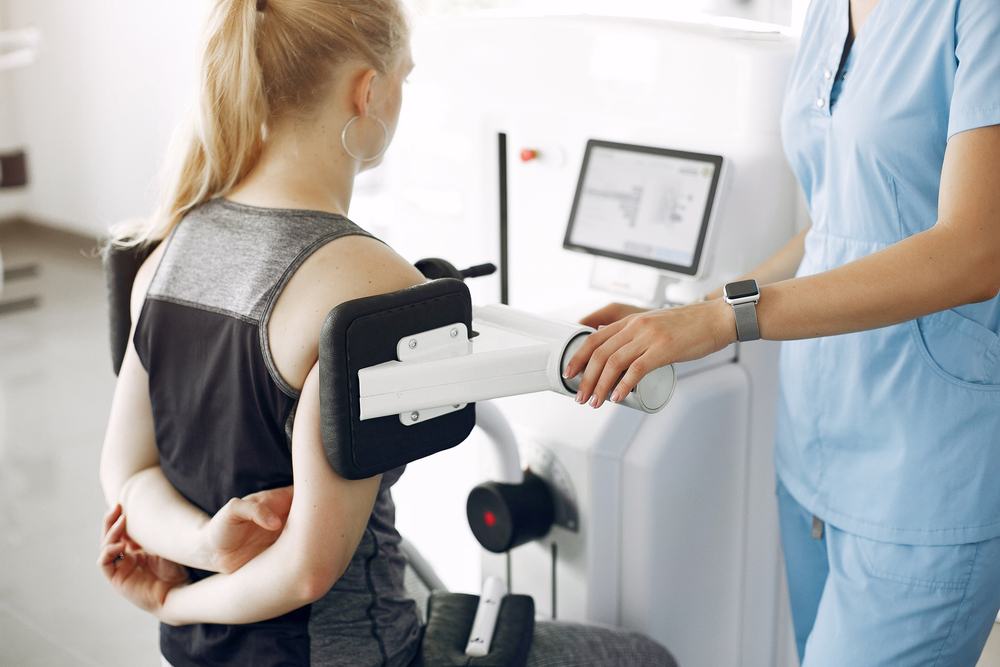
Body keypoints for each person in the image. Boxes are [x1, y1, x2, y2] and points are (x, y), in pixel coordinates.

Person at [96, 1, 676, 666]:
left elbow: (127, 471)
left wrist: (201, 549)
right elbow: (308, 573)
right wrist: (175, 601)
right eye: (405, 75)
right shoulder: (366, 276)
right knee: (645, 656)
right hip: (361, 653)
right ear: (367, 91)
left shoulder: (170, 244)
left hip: (198, 652)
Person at [564, 0, 1000, 665]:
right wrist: (696, 308)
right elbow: (846, 215)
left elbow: (976, 249)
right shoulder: (828, 8)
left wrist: (720, 321)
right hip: (814, 447)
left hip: (924, 471)